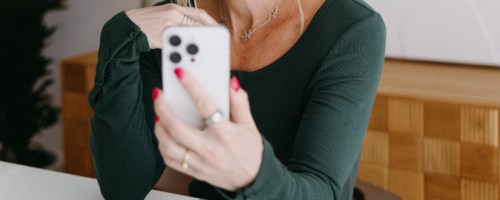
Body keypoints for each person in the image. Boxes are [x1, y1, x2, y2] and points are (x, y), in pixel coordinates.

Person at [88, 0, 386, 199]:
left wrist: (253, 176)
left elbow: (323, 190)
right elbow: (124, 188)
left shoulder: (350, 28)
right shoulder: (170, 20)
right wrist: (118, 41)